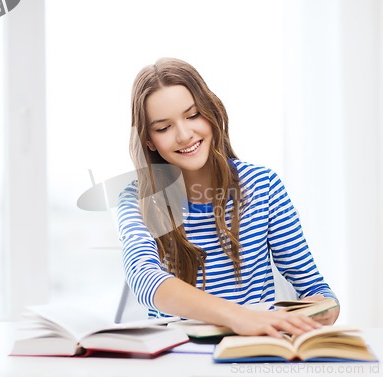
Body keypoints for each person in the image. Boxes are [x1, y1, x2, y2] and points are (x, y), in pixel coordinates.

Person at [116, 57, 339, 338]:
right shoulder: (137, 200)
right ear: (148, 140)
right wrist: (239, 317)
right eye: (163, 128)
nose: (184, 135)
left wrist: (315, 313)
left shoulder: (262, 185)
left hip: (255, 350)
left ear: (211, 111)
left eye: (193, 115)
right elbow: (145, 279)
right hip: (180, 356)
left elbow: (317, 290)